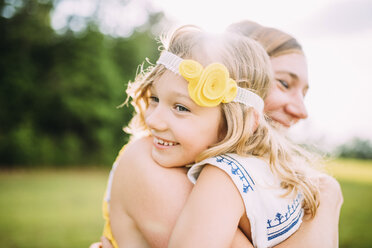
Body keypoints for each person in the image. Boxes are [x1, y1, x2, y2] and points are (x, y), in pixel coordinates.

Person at [92, 21, 343, 248]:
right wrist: (325, 204)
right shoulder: (151, 163)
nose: (301, 110)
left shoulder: (240, 176)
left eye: (304, 93)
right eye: (283, 83)